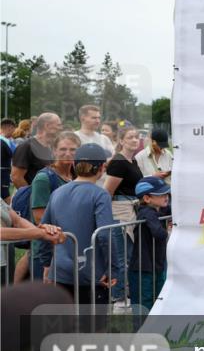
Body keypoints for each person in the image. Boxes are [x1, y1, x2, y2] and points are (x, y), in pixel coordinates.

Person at [36, 143, 123, 307]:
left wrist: (47, 264)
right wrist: (113, 269)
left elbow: (44, 230)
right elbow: (104, 234)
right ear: (102, 168)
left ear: (75, 165)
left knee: (65, 326)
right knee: (93, 328)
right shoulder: (100, 194)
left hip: (60, 271)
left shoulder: (57, 192)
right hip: (90, 272)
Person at [21, 131, 80, 282]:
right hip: (47, 251)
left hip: (67, 247)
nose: (68, 153)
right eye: (63, 149)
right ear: (54, 151)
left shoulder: (75, 176)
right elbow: (39, 218)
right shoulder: (44, 178)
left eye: (73, 149)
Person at [104, 127, 143, 304]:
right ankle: (117, 295)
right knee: (122, 256)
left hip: (132, 208)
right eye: (130, 137)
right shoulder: (119, 162)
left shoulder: (132, 160)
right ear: (121, 141)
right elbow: (107, 192)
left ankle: (124, 291)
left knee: (129, 255)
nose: (135, 140)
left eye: (137, 137)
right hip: (120, 211)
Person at [130, 176, 170, 313]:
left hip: (155, 265)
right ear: (147, 199)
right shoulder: (146, 212)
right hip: (143, 268)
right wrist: (170, 232)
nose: (166, 197)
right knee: (144, 304)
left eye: (167, 193)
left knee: (158, 300)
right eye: (161, 194)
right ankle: (140, 332)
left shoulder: (158, 210)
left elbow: (170, 210)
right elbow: (159, 233)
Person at [10, 112, 62, 188]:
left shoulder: (52, 146)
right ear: (47, 126)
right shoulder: (26, 147)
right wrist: (32, 196)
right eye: (58, 125)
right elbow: (16, 177)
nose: (61, 128)